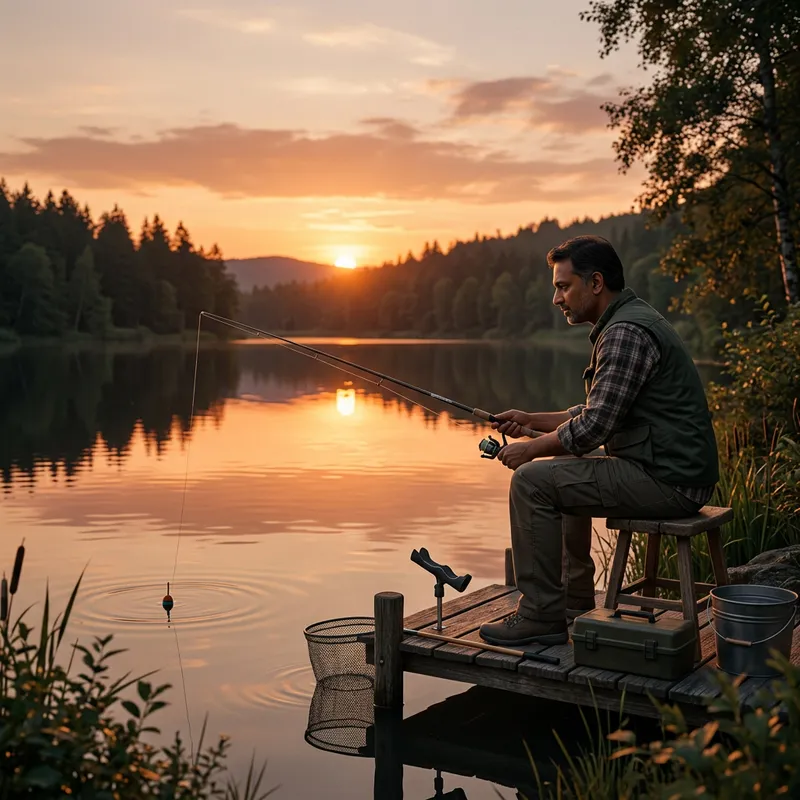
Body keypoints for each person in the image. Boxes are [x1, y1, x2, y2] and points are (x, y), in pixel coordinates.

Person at [479, 235, 719, 647]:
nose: (556, 299)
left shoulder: (624, 333)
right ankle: (572, 603)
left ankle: (540, 616)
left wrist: (529, 450)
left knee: (531, 482)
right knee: (561, 471)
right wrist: (529, 418)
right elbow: (596, 411)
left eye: (562, 286)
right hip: (671, 471)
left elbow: (593, 428)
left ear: (595, 283)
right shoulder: (630, 321)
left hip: (669, 481)